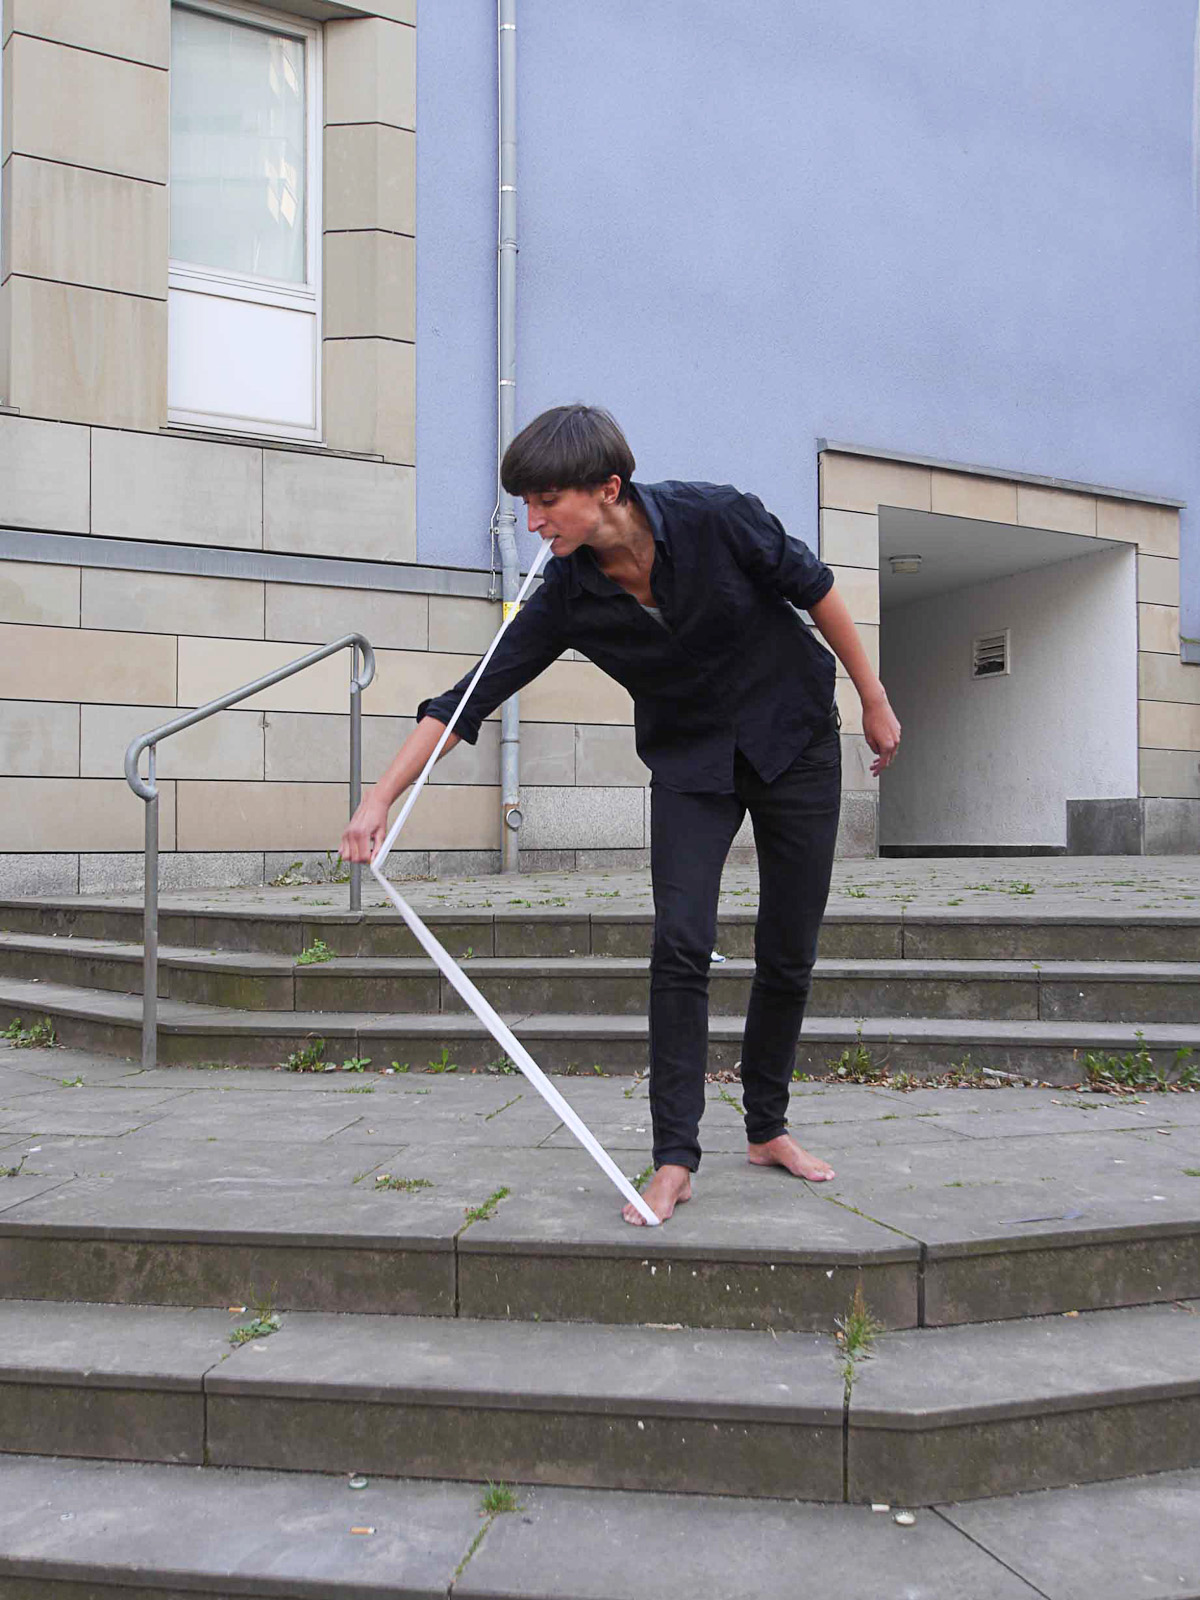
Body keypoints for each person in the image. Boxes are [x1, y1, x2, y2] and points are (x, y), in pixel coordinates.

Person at [341, 405, 901, 1226]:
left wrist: (874, 700)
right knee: (681, 943)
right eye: (525, 505)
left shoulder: (717, 516)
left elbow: (816, 590)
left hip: (795, 742)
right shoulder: (565, 594)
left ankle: (767, 1128)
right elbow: (470, 695)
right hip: (691, 766)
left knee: (789, 948)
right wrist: (378, 797)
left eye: (546, 502)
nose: (532, 523)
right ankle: (675, 1157)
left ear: (608, 489)